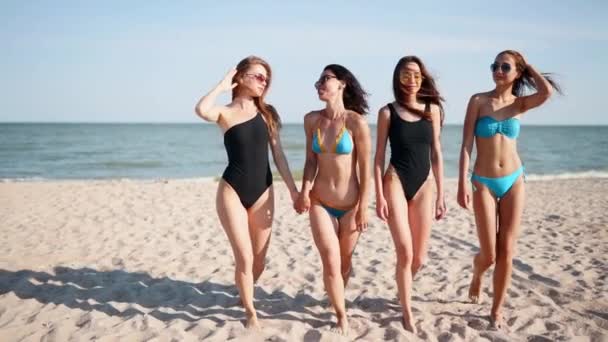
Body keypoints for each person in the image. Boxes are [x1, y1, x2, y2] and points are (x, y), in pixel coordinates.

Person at [457, 50, 561, 329]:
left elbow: (547, 92)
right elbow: (467, 143)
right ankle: (477, 274)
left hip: (514, 179)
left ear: (517, 72)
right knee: (489, 254)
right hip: (483, 182)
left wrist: (529, 63)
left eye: (505, 66)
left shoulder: (521, 104)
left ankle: (496, 311)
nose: (498, 70)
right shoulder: (478, 101)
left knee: (507, 251)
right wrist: (462, 182)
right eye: (495, 65)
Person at [194, 56, 299, 329]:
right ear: (240, 78)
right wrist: (221, 84)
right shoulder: (225, 112)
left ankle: (244, 290)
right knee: (245, 256)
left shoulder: (268, 113)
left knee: (259, 259)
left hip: (264, 190)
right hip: (231, 190)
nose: (264, 82)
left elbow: (279, 156)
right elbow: (201, 109)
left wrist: (294, 190)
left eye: (267, 78)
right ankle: (250, 313)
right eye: (258, 76)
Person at [295, 64, 371, 335]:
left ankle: (337, 293)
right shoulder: (311, 120)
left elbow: (365, 168)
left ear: (342, 84)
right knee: (330, 259)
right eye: (319, 80)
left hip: (351, 206)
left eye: (326, 79)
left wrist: (364, 207)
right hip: (320, 203)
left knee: (345, 262)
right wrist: (304, 191)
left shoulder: (356, 122)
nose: (320, 84)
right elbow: (309, 161)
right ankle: (341, 315)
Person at [373, 55, 446, 332]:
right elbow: (378, 157)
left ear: (422, 78)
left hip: (425, 185)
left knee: (419, 258)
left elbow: (437, 152)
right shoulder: (387, 112)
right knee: (404, 251)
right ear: (398, 79)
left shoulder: (433, 110)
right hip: (395, 181)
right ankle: (407, 311)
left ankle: (402, 287)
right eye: (406, 75)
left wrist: (441, 193)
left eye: (416, 75)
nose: (412, 79)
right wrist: (378, 195)